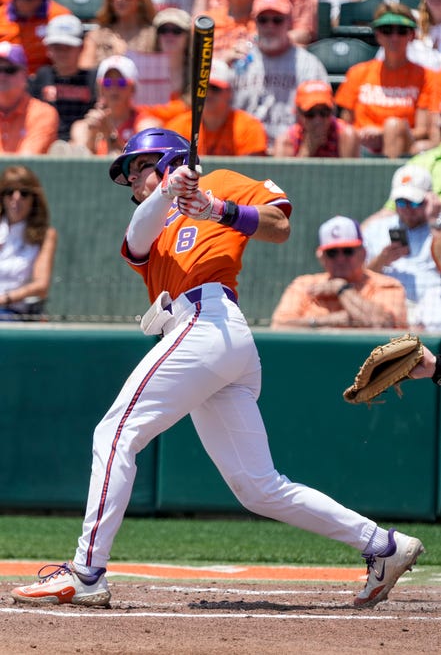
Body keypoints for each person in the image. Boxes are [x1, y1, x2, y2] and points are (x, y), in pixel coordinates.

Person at [11, 127, 424, 610]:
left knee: (115, 433)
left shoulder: (221, 181)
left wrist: (216, 208)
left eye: (141, 166)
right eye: (128, 175)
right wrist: (170, 189)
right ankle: (382, 545)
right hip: (197, 336)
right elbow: (137, 236)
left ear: (168, 158)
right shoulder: (154, 223)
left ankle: (86, 572)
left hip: (212, 323)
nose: (133, 179)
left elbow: (279, 225)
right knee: (258, 487)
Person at [335, 2, 440, 159]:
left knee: (394, 127)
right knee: (348, 134)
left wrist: (383, 133)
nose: (394, 37)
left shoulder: (428, 77)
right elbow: (344, 122)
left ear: (412, 35)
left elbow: (424, 130)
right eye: (387, 30)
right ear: (377, 35)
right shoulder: (357, 73)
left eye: (402, 31)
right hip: (361, 146)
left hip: (404, 146)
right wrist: (363, 135)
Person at [271, 215, 407, 329]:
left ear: (363, 253)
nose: (340, 259)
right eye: (332, 253)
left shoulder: (387, 285)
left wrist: (342, 289)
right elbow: (278, 326)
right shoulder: (304, 284)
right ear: (322, 257)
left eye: (348, 251)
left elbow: (383, 325)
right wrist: (328, 320)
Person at [232, 0, 328, 153]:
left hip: (292, 151)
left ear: (289, 22)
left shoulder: (309, 65)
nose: (270, 26)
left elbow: (322, 116)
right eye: (263, 20)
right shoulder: (239, 60)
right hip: (246, 150)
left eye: (277, 20)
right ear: (254, 23)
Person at [362, 164, 441, 326]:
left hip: (431, 308)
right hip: (388, 305)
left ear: (428, 200)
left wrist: (434, 221)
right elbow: (357, 278)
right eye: (401, 202)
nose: (406, 210)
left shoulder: (437, 228)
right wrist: (381, 260)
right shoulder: (376, 228)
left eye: (413, 203)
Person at [166, 58, 268, 155]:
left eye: (215, 88)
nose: (208, 94)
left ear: (229, 92)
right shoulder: (178, 127)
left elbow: (253, 170)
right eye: (203, 88)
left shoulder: (249, 127)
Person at [0, 164, 57, 319]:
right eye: (9, 192)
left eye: (24, 193)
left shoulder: (45, 235)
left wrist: (5, 299)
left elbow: (41, 286)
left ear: (34, 198)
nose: (16, 198)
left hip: (13, 313)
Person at [29, 15, 97, 144]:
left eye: (68, 47)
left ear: (81, 48)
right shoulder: (42, 76)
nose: (62, 52)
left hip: (82, 142)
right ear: (48, 49)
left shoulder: (92, 78)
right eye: (56, 47)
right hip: (45, 138)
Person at [69, 55, 153, 156]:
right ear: (100, 89)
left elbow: (139, 166)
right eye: (107, 83)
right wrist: (92, 137)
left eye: (121, 83)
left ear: (133, 88)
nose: (114, 89)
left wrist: (110, 135)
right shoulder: (83, 127)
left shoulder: (145, 127)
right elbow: (80, 167)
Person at [273, 80, 360, 158]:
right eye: (310, 113)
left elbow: (349, 175)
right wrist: (306, 151)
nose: (318, 120)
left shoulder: (345, 136)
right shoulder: (286, 141)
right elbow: (283, 175)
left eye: (324, 112)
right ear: (298, 113)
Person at [0, 41, 59, 154]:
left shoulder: (43, 113)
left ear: (25, 75)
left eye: (10, 70)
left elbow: (25, 163)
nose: (2, 76)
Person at [78, 0, 156, 71]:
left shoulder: (153, 36)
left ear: (140, 0)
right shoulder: (96, 35)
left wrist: (124, 56)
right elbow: (85, 70)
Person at [0, 0, 72, 76]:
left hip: (46, 77)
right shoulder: (1, 16)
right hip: (7, 75)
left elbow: (72, 53)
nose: (23, 2)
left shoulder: (60, 16)